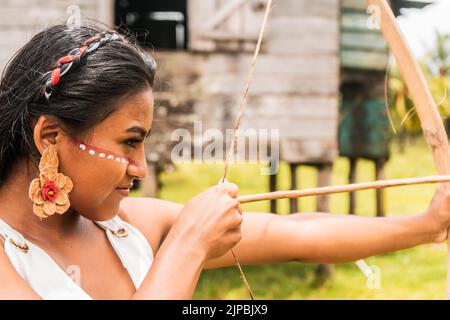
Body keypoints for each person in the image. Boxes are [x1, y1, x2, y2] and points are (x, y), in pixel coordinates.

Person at [0, 24, 449, 300]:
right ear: (51, 137)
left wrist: (429, 225)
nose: (140, 168)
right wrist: (188, 244)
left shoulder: (131, 227)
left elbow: (294, 233)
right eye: (129, 142)